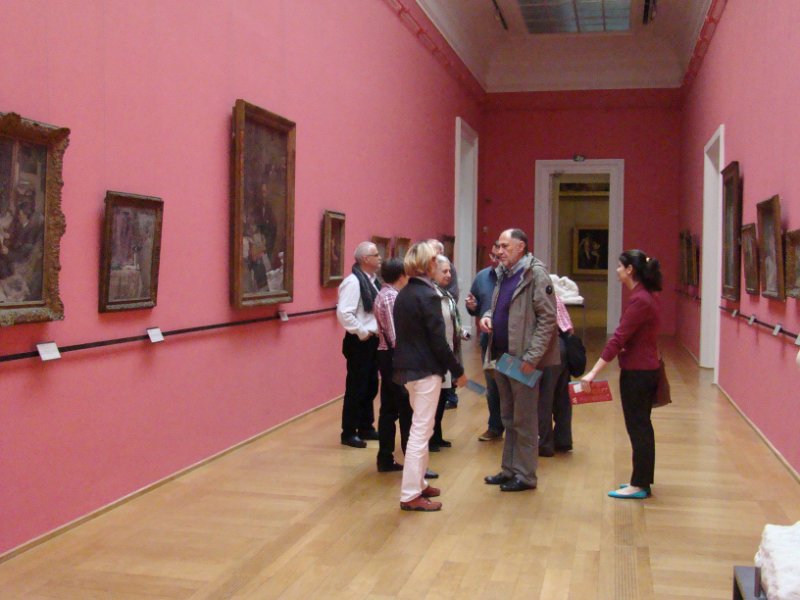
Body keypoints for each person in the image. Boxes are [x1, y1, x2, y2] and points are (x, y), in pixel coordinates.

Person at [480, 229, 559, 492]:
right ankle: (509, 470)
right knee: (508, 418)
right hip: (502, 357)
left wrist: (532, 357)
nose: (499, 251)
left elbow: (547, 319)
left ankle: (525, 476)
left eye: (505, 246)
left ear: (521, 247)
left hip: (522, 360)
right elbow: (502, 307)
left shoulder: (535, 274)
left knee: (524, 421)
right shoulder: (504, 273)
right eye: (498, 246)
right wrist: (488, 316)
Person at [581, 249, 662, 500]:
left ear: (630, 270)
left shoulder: (640, 301)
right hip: (642, 369)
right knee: (640, 426)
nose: (616, 270)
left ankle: (639, 484)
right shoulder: (644, 296)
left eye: (619, 266)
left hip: (639, 373)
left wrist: (593, 372)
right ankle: (641, 480)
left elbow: (618, 339)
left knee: (638, 427)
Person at [393, 241, 466, 511]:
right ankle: (411, 494)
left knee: (423, 428)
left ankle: (420, 483)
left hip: (409, 370)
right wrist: (458, 371)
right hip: (424, 370)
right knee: (420, 432)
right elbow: (438, 341)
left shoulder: (405, 293)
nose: (440, 264)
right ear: (427, 265)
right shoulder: (428, 296)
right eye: (436, 260)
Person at [336, 241, 382, 448]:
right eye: (376, 254)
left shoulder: (372, 281)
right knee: (357, 387)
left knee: (370, 385)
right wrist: (362, 332)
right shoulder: (353, 282)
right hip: (360, 342)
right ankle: (349, 432)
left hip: (372, 341)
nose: (380, 258)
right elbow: (344, 313)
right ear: (365, 259)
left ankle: (366, 426)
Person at [373, 258, 413, 472]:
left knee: (389, 409)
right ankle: (412, 463)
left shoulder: (386, 294)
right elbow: (395, 335)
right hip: (394, 358)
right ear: (401, 276)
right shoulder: (390, 297)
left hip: (388, 356)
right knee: (406, 408)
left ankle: (385, 458)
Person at [429, 254, 468, 452]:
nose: (448, 275)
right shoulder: (431, 295)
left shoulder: (446, 293)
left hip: (447, 352)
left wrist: (462, 333)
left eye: (450, 271)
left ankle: (437, 435)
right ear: (432, 272)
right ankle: (430, 438)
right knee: (434, 401)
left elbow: (452, 321)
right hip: (435, 356)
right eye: (444, 271)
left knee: (443, 396)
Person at [466, 242, 502, 441]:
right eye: (493, 256)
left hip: (512, 341)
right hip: (488, 340)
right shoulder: (482, 277)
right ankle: (495, 426)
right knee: (492, 386)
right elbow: (474, 307)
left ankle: (516, 429)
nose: (495, 260)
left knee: (514, 387)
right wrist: (471, 306)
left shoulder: (516, 277)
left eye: (499, 257)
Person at [537, 294, 575, 456]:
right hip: (563, 346)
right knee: (562, 397)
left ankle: (544, 444)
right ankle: (563, 440)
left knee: (544, 398)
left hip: (546, 347)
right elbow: (569, 328)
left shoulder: (532, 296)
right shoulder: (554, 294)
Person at [427, 239, 460, 409]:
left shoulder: (444, 292)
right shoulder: (425, 291)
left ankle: (451, 396)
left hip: (445, 345)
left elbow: (453, 295)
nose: (448, 274)